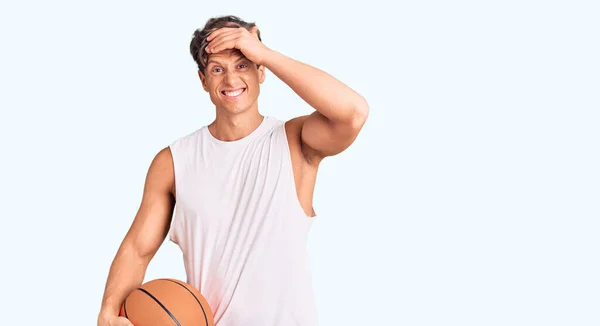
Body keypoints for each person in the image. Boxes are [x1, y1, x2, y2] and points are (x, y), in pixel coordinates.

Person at [97, 15, 369, 326]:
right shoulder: (173, 162)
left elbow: (353, 113)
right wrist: (107, 313)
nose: (231, 80)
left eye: (242, 65)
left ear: (261, 70)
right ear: (203, 80)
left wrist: (262, 51)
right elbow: (137, 249)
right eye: (217, 69)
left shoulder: (296, 142)